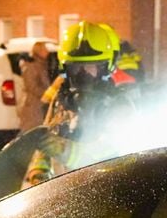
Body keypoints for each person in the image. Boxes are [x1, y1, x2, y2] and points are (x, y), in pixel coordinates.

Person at [25, 21, 134, 188]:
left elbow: (108, 153)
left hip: (102, 193)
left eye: (91, 67)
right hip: (61, 194)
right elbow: (44, 145)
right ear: (66, 69)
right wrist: (37, 173)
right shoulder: (62, 101)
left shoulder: (119, 106)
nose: (83, 74)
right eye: (76, 68)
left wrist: (60, 148)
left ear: (106, 68)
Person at [16, 39, 51, 133]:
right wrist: (47, 94)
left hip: (39, 105)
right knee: (30, 131)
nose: (47, 52)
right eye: (45, 49)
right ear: (39, 51)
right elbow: (31, 86)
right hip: (32, 106)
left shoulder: (42, 64)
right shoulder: (31, 66)